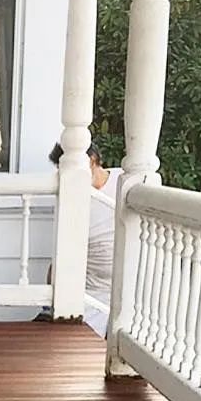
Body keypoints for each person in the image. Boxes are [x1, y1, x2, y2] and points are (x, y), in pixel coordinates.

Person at [49, 140, 121, 334]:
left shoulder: (124, 181)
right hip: (90, 292)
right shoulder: (69, 197)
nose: (66, 176)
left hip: (127, 290)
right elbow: (61, 252)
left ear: (92, 161)